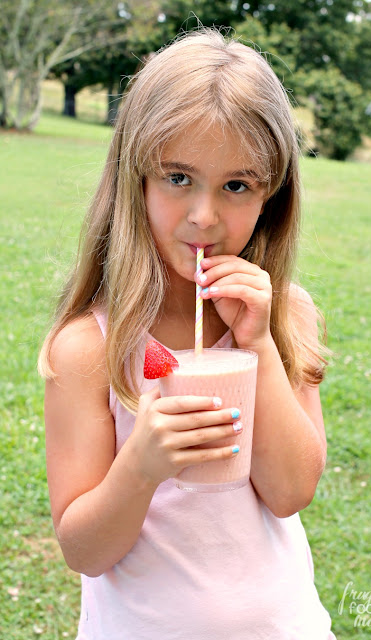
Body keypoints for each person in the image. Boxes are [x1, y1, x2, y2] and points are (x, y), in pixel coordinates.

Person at [39, 28, 336, 639]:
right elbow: (84, 552)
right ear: (136, 179)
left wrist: (257, 346)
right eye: (178, 178)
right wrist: (141, 466)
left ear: (270, 198)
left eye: (236, 185)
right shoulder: (90, 349)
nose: (204, 216)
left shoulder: (286, 316)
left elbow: (290, 491)